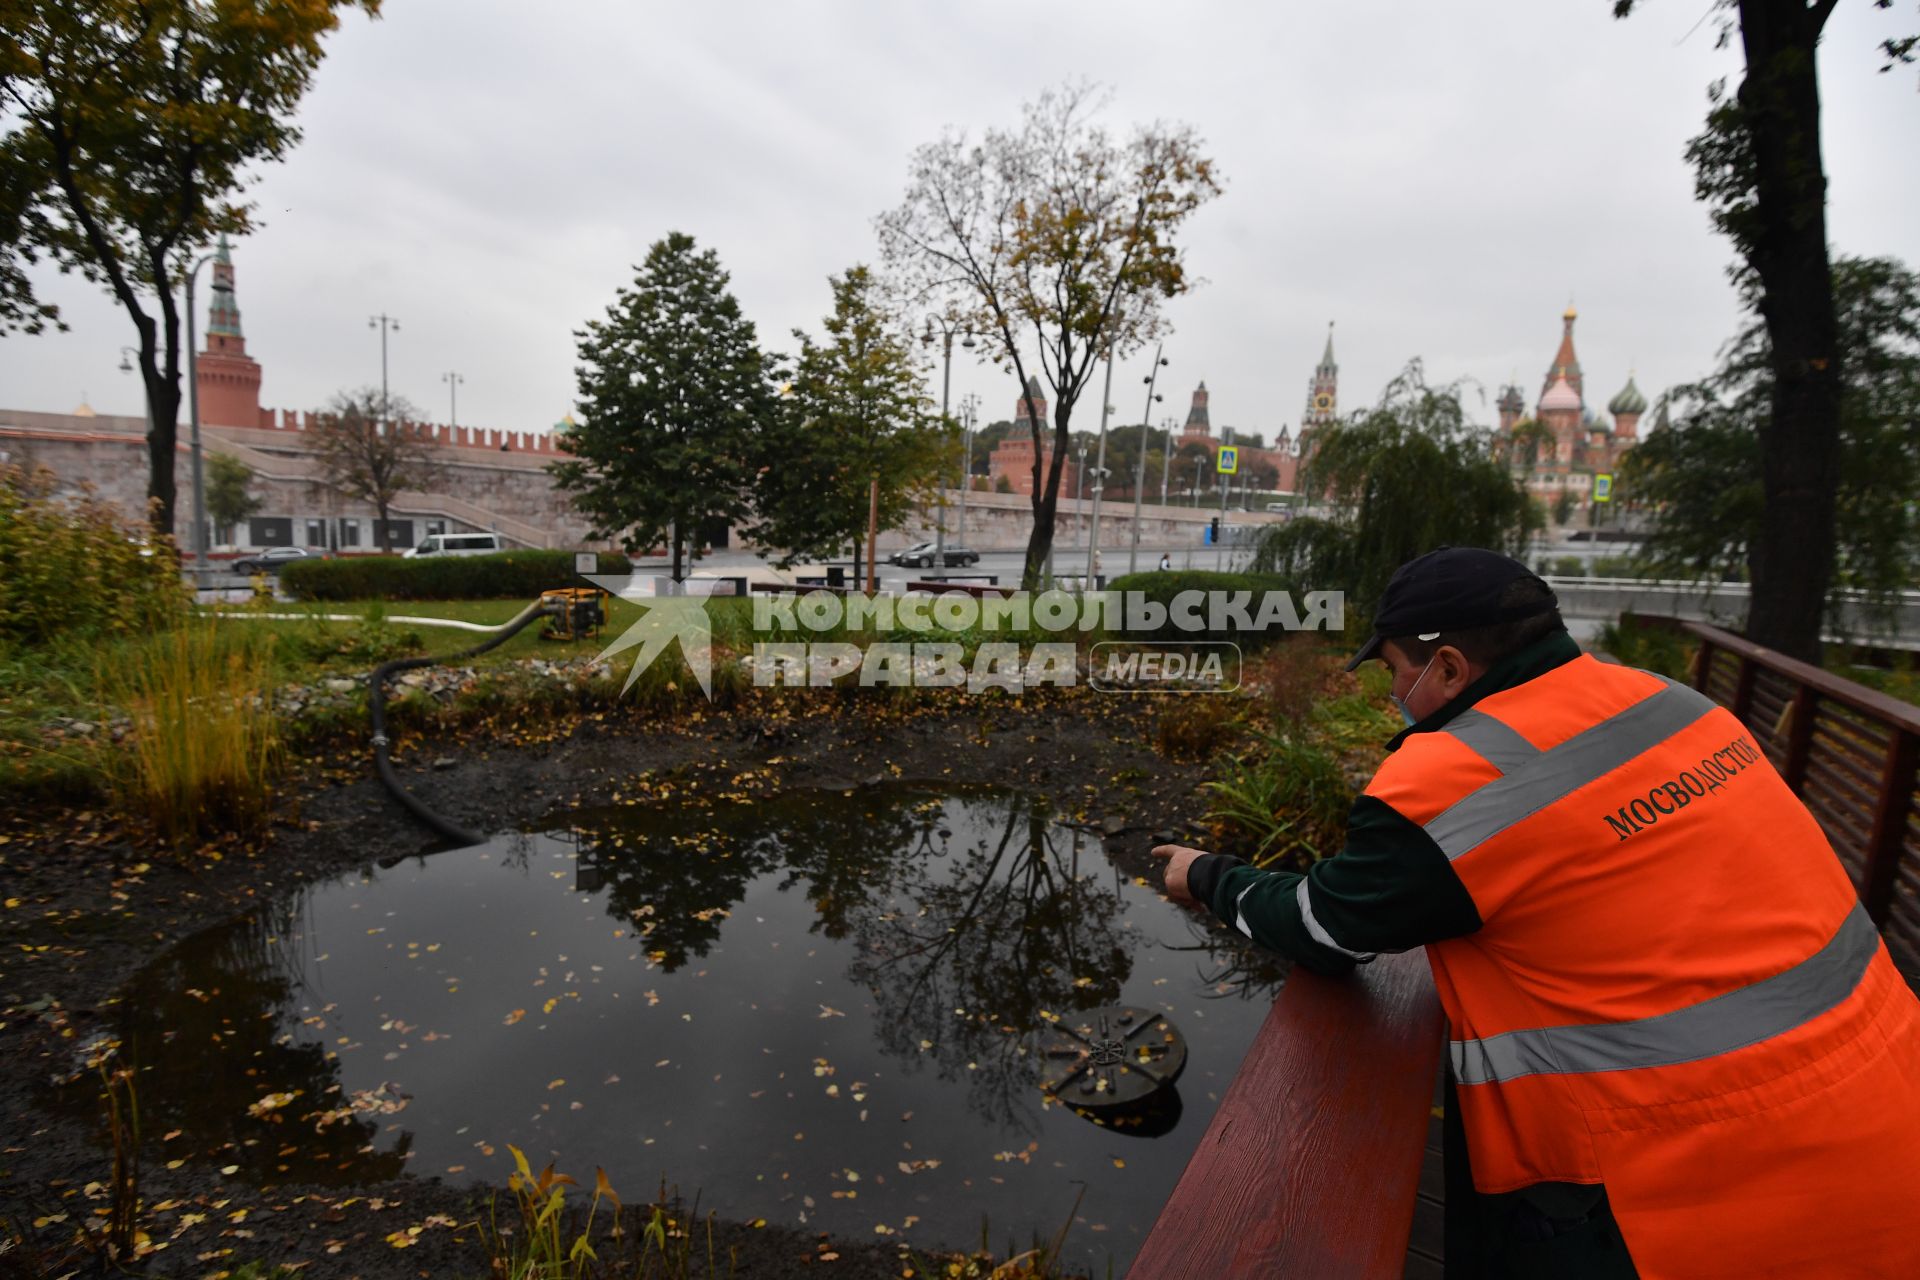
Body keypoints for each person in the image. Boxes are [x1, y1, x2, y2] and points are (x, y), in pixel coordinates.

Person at [1153, 547, 1920, 1279]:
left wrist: (1211, 875)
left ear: (1448, 667)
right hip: (1889, 1120)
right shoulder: (1674, 705)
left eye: (1394, 671)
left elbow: (1324, 927)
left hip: (1691, 1193)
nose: (1392, 694)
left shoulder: (1446, 780)